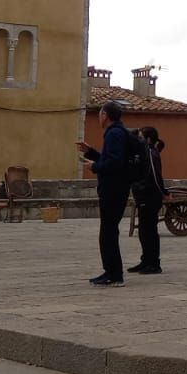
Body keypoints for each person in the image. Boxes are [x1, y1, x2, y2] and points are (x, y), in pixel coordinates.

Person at [76, 101, 131, 285]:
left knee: (108, 232)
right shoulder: (118, 132)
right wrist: (90, 152)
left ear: (105, 115)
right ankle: (112, 272)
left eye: (100, 114)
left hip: (113, 190)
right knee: (109, 231)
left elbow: (114, 163)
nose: (99, 117)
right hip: (117, 188)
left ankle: (114, 274)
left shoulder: (114, 134)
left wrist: (95, 167)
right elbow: (111, 159)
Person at [128, 126, 166, 275]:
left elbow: (156, 176)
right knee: (144, 230)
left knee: (149, 230)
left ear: (148, 139)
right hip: (144, 195)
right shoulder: (146, 152)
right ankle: (146, 261)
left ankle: (154, 263)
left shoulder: (150, 152)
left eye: (141, 137)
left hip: (150, 196)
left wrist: (163, 192)